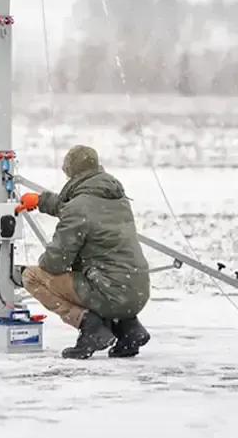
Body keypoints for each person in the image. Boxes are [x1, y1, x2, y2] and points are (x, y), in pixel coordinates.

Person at [15, 144, 151, 359]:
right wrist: (41, 202)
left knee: (33, 277)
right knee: (101, 276)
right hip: (136, 291)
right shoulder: (115, 197)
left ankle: (90, 328)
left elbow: (54, 263)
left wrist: (24, 270)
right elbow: (79, 209)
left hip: (110, 291)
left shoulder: (79, 208)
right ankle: (129, 330)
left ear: (70, 171)